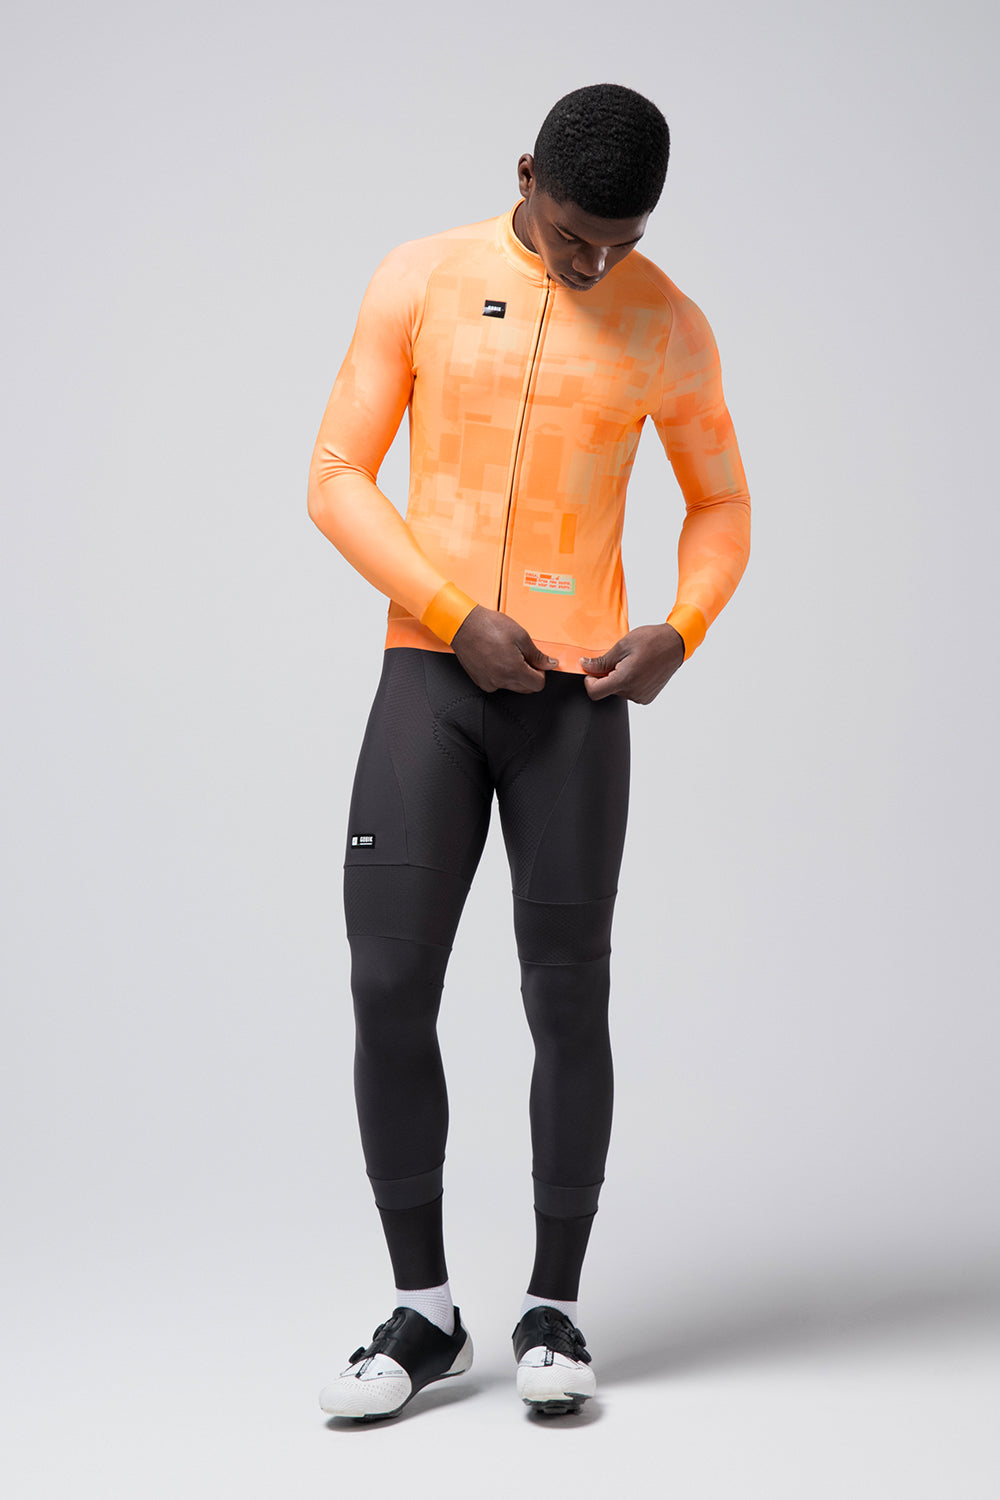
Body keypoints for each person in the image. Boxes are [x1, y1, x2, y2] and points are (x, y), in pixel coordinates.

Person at [307, 82, 750, 1421]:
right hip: (431, 677)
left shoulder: (667, 322)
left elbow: (721, 503)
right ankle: (425, 1312)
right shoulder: (423, 278)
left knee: (567, 1000)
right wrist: (451, 614)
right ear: (523, 176)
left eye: (621, 241)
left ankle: (555, 1305)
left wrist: (681, 628)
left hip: (578, 701)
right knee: (389, 982)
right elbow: (335, 474)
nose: (594, 264)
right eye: (572, 236)